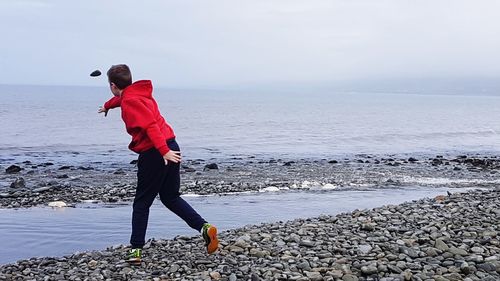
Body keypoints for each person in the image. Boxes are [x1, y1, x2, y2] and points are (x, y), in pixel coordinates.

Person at [98, 64, 218, 264]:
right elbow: (122, 99)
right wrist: (108, 106)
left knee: (142, 202)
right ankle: (204, 228)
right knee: (170, 197)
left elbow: (150, 125)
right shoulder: (138, 93)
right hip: (172, 144)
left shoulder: (130, 101)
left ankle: (135, 251)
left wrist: (163, 151)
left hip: (157, 151)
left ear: (112, 85)